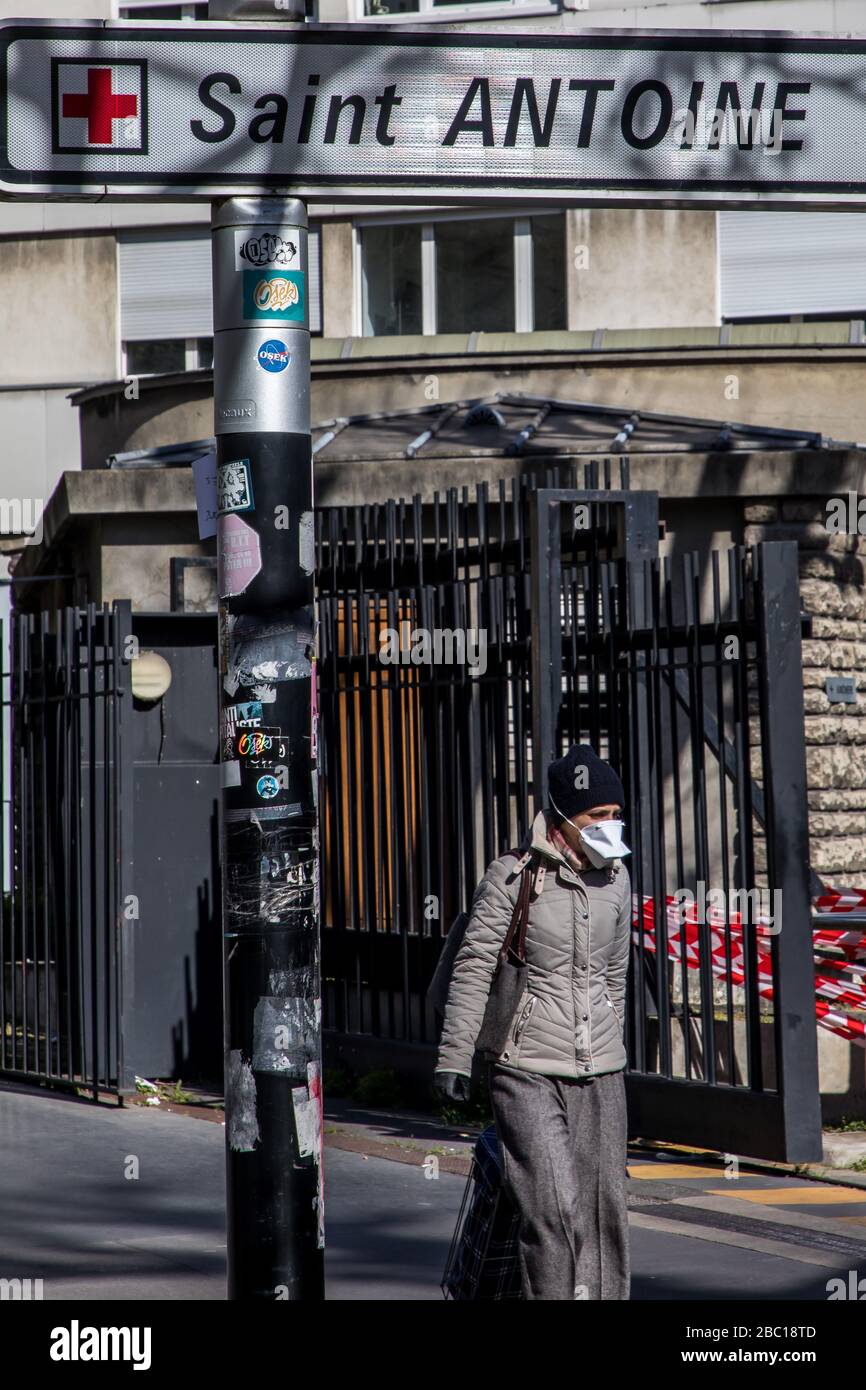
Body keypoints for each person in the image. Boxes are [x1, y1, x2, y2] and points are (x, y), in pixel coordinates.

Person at [434, 744, 632, 1301]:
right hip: (525, 1068)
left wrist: (613, 1042)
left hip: (602, 1072)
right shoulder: (513, 876)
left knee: (605, 1210)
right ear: (565, 818)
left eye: (616, 816)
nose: (609, 827)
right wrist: (454, 1058)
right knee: (552, 1207)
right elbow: (473, 969)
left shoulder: (617, 881)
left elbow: (613, 975)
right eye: (597, 817)